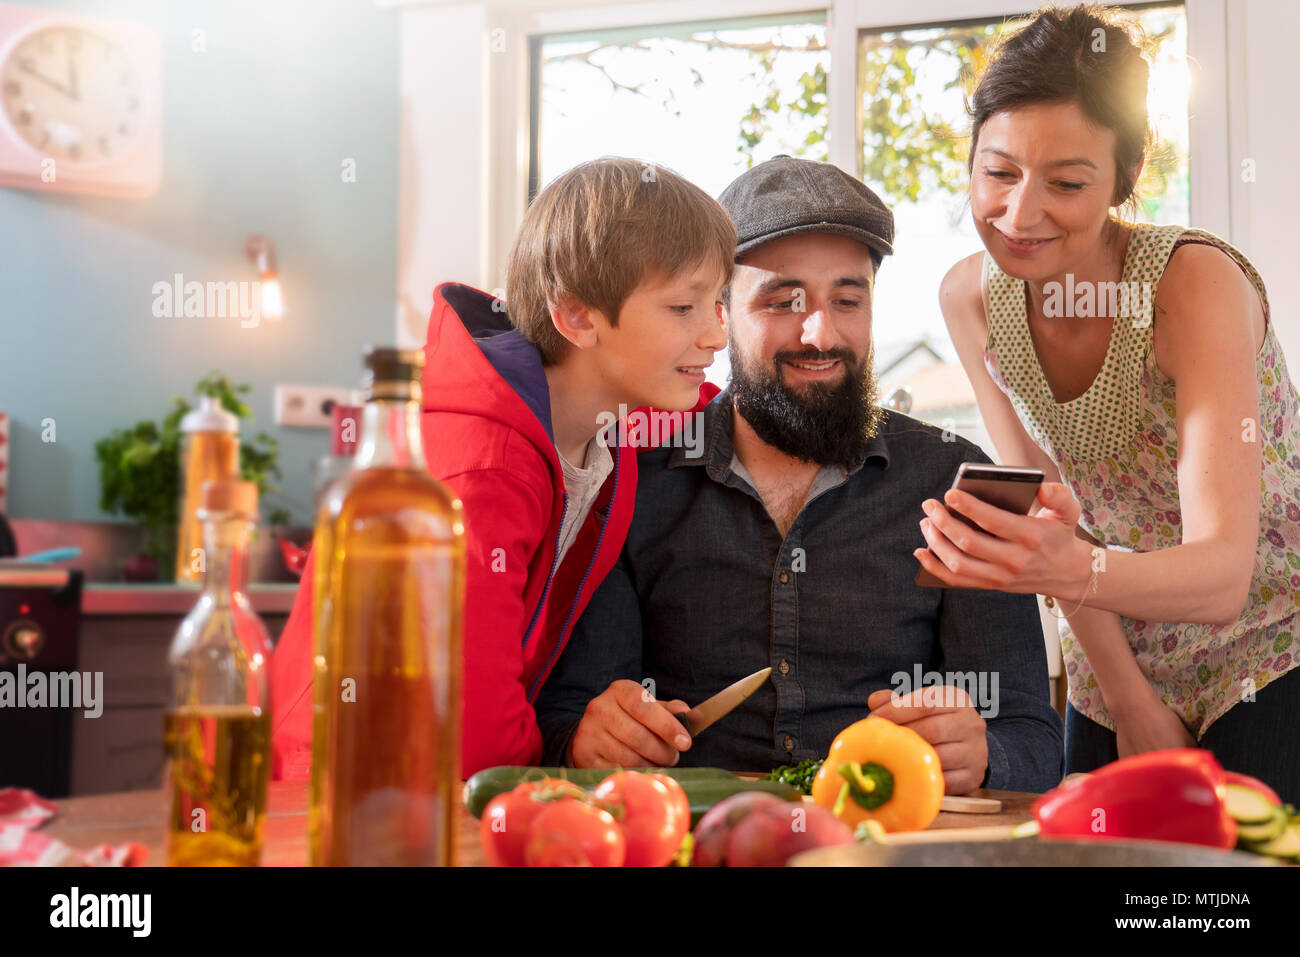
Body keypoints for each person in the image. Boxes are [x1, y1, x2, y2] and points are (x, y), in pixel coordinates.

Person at [535, 155, 1064, 794]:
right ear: (720, 313)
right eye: (784, 300)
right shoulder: (631, 480)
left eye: (847, 299)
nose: (821, 333)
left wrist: (983, 756)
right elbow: (569, 715)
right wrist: (592, 737)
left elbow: (1033, 740)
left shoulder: (951, 482)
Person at [927, 5, 1300, 801]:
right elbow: (1045, 517)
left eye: (1066, 183)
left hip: (1274, 638)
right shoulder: (970, 298)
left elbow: (1225, 573)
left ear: (1124, 180)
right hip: (1118, 645)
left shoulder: (1190, 285)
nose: (1020, 216)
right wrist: (1128, 698)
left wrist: (1069, 565)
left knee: (1226, 895)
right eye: (998, 173)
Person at [269, 158, 733, 779]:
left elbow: (711, 413)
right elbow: (471, 731)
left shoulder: (604, 430)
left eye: (720, 303)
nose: (717, 335)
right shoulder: (485, 466)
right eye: (683, 308)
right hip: (346, 790)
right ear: (575, 316)